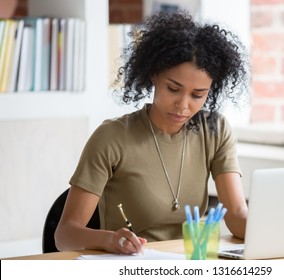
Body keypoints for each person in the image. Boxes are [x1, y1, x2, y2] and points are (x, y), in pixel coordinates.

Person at [55, 11, 249, 255]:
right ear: (153, 74)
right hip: (131, 265)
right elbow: (65, 235)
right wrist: (110, 240)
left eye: (198, 95)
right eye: (173, 89)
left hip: (191, 264)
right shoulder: (112, 137)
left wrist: (276, 230)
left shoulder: (215, 131)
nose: (183, 105)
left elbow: (237, 215)